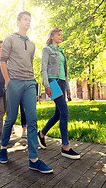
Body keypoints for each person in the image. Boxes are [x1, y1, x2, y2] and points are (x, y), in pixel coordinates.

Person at [0, 11, 53, 174]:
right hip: (14, 82)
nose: (28, 22)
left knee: (32, 119)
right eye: (25, 19)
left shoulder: (32, 44)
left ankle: (33, 159)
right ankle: (2, 148)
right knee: (11, 118)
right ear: (18, 22)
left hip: (29, 82)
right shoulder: (9, 38)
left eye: (30, 20)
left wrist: (33, 79)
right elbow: (3, 62)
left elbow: (30, 64)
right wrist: (9, 82)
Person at [37, 28, 80, 159]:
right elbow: (43, 69)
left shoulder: (61, 52)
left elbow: (65, 73)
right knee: (65, 112)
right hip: (53, 82)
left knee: (58, 113)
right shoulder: (47, 50)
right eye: (58, 34)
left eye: (62, 34)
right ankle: (65, 147)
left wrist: (67, 88)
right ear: (52, 36)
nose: (61, 36)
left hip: (61, 83)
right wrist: (46, 85)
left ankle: (41, 134)